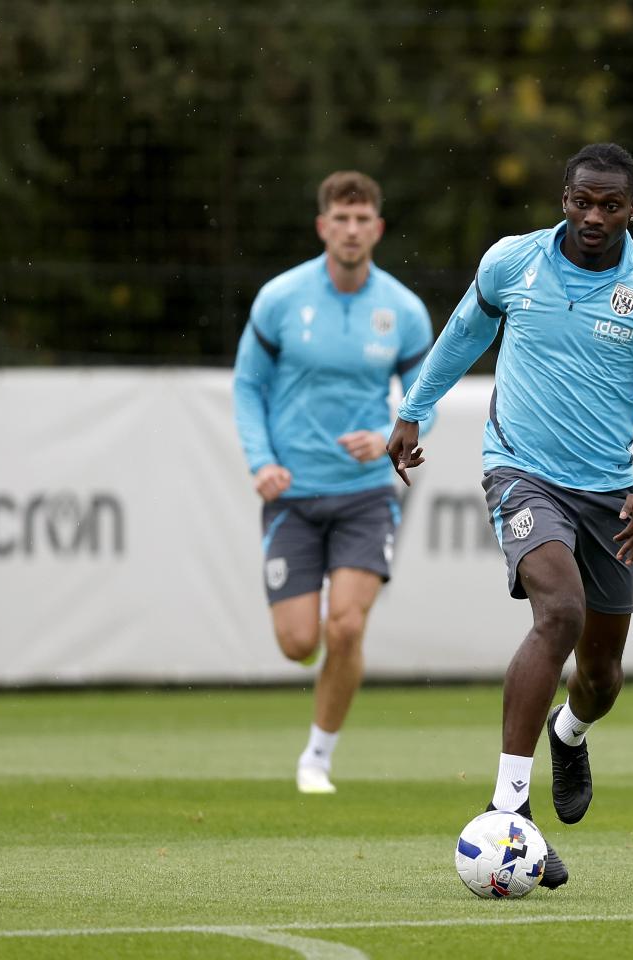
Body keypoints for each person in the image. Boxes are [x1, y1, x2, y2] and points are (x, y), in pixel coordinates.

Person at [387, 143, 633, 887]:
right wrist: (412, 411)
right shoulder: (512, 263)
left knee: (601, 676)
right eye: (581, 201)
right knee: (556, 611)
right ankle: (509, 812)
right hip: (520, 473)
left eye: (610, 205)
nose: (594, 217)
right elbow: (465, 333)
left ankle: (571, 732)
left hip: (610, 495)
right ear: (563, 197)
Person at [233, 170, 433, 795]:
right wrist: (259, 460)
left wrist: (388, 434)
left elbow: (424, 392)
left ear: (377, 227)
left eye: (362, 219)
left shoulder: (401, 309)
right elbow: (247, 386)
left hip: (367, 493)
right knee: (299, 644)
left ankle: (317, 756)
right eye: (340, 220)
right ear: (323, 227)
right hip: (292, 493)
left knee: (346, 626)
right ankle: (320, 690)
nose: (351, 230)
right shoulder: (281, 299)